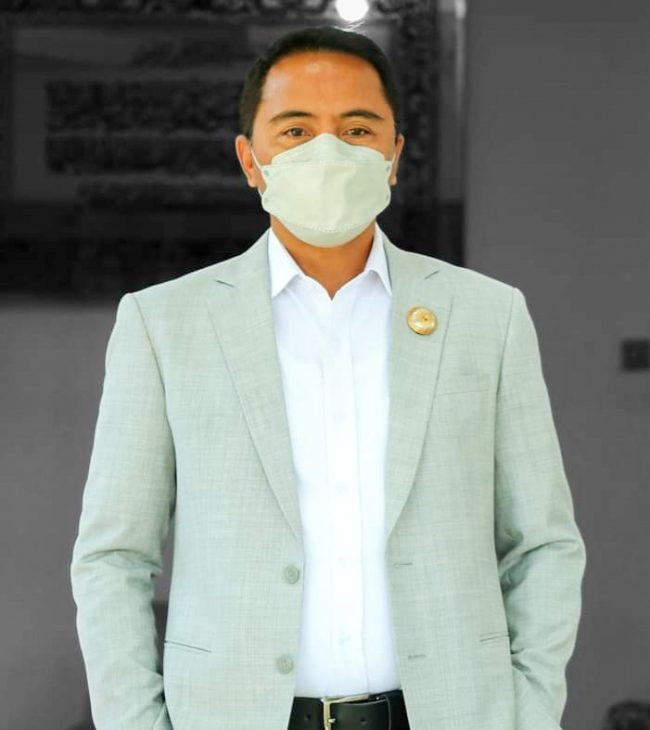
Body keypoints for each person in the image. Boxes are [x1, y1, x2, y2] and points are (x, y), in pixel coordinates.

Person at [70, 24, 587, 730]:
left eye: (356, 129)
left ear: (394, 155)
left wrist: (529, 713)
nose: (328, 151)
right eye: (295, 130)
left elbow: (543, 544)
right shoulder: (164, 325)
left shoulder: (486, 316)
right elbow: (113, 557)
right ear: (250, 161)